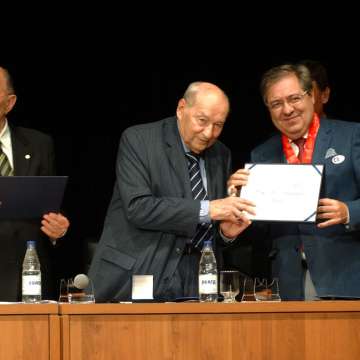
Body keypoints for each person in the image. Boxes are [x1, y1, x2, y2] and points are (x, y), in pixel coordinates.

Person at [88, 81, 255, 302]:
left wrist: (226, 232)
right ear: (181, 108)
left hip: (198, 279)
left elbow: (209, 228)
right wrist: (210, 208)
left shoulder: (221, 153)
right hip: (142, 271)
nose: (209, 133)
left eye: (218, 125)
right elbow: (138, 208)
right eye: (202, 121)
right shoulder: (140, 140)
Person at [228, 64, 360, 300]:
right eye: (276, 103)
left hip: (347, 276)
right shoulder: (262, 155)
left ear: (312, 96)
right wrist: (238, 202)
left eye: (294, 98)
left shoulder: (351, 136)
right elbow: (261, 229)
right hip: (288, 283)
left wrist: (348, 211)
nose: (287, 109)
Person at [0, 66, 70, 301]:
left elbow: (50, 203)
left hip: (28, 276)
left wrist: (57, 228)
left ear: (9, 103)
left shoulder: (39, 144)